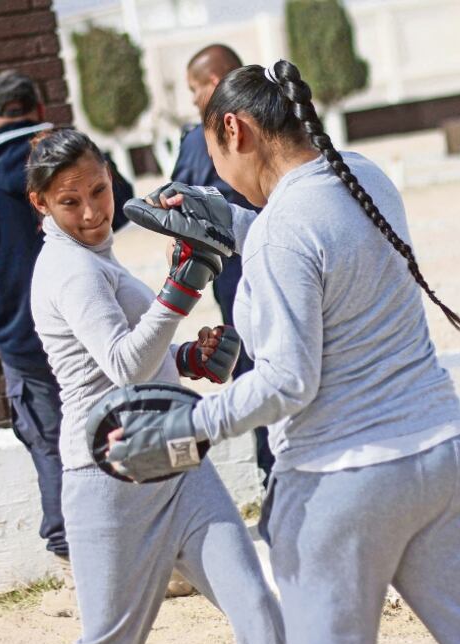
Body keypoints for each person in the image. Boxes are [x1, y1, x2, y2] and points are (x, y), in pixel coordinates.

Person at [103, 61, 460, 644]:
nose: (221, 175)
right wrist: (233, 220)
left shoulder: (279, 233)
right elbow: (324, 241)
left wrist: (184, 426)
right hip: (446, 457)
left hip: (341, 484)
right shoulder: (365, 178)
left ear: (235, 130)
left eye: (215, 156)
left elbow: (288, 381)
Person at [26, 127, 288, 644]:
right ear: (41, 203)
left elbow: (130, 360)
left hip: (174, 461)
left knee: (256, 604)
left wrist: (188, 359)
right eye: (70, 202)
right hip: (109, 477)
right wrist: (182, 291)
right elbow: (123, 366)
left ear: (110, 177)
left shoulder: (93, 255)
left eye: (98, 191)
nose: (93, 212)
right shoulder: (70, 269)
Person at [0, 71, 132, 616]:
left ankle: (76, 563)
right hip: (95, 328)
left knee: (56, 445)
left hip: (21, 339)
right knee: (119, 428)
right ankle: (144, 556)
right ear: (40, 105)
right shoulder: (74, 156)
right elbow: (120, 203)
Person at [171, 43, 275, 485]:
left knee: (256, 367)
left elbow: (180, 204)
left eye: (195, 90)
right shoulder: (283, 122)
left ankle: (273, 471)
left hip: (237, 275)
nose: (194, 101)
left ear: (214, 85)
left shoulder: (202, 138)